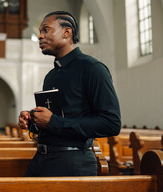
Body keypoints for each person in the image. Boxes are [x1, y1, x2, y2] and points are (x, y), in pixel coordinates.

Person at [18, 11, 121, 177]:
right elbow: (57, 118)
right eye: (40, 31)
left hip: (73, 162)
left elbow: (111, 123)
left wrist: (53, 122)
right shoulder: (51, 75)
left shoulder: (92, 69)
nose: (40, 36)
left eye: (46, 30)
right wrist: (33, 120)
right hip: (42, 159)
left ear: (67, 32)